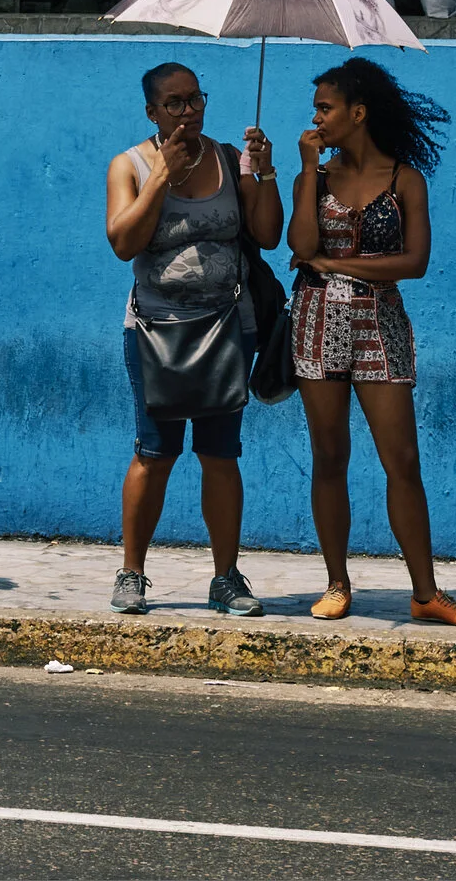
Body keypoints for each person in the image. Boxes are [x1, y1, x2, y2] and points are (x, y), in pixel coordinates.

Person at [286, 59, 456, 627]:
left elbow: (415, 262)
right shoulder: (315, 177)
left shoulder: (405, 179)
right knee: (329, 456)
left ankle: (425, 593)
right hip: (317, 318)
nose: (316, 117)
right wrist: (303, 169)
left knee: (403, 460)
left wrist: (332, 261)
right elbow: (299, 243)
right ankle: (336, 583)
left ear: (358, 113)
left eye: (325, 107)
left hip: (380, 323)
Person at [104, 62, 282, 617]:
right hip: (156, 331)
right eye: (175, 103)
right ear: (152, 112)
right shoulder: (129, 165)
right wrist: (161, 176)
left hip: (228, 329)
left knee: (220, 454)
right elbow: (124, 243)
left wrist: (265, 171)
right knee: (154, 452)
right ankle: (132, 572)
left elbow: (269, 235)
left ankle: (226, 577)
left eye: (195, 100)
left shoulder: (231, 158)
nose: (189, 112)